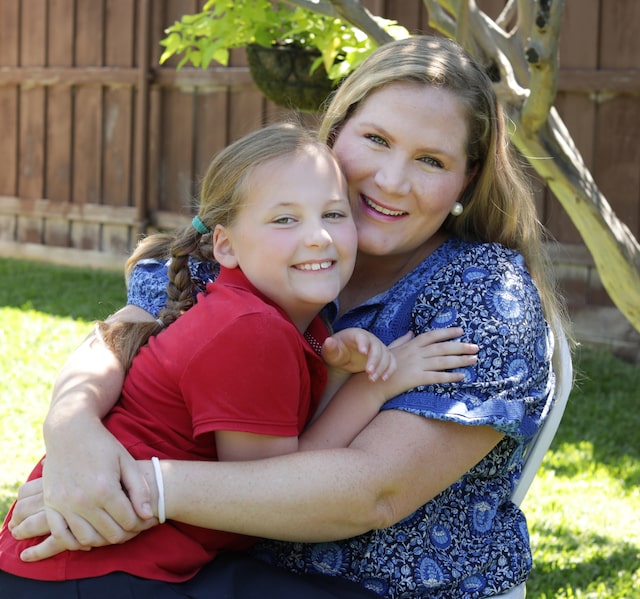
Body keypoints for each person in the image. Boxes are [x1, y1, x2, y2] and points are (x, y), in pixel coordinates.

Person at [8, 35, 569, 598]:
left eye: (431, 160)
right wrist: (73, 434)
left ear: (465, 181)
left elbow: (376, 492)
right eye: (376, 139)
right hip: (211, 572)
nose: (392, 181)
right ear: (335, 132)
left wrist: (137, 486)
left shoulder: (487, 295)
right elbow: (125, 332)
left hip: (387, 586)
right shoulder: (271, 235)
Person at [0, 122, 477, 596]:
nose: (318, 237)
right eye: (285, 220)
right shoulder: (252, 329)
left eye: (333, 214)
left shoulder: (276, 316)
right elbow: (276, 490)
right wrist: (374, 386)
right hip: (90, 566)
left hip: (116, 559)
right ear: (225, 244)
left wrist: (334, 370)